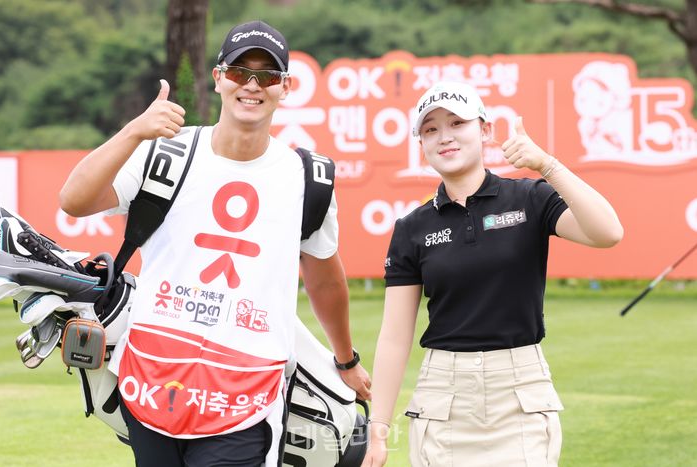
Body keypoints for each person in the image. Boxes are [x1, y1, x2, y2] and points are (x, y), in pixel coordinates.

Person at [59, 20, 371, 467]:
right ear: (219, 77)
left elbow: (325, 282)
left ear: (285, 87)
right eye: (241, 72)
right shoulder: (166, 150)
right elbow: (73, 200)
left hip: (245, 396)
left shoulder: (307, 178)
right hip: (152, 383)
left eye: (267, 76)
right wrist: (134, 131)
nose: (252, 85)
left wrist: (346, 361)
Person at [361, 81, 623, 467]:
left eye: (457, 123)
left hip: (520, 390)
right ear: (421, 143)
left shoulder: (530, 198)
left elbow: (608, 232)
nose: (444, 137)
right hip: (443, 395)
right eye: (431, 129)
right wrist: (378, 430)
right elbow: (395, 337)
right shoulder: (412, 228)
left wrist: (547, 166)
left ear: (485, 130)